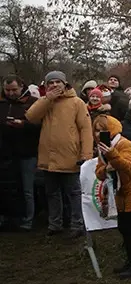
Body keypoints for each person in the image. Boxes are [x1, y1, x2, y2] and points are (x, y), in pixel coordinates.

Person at [25, 71, 93, 238]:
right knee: (52, 193)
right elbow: (31, 117)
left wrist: (86, 154)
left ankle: (77, 224)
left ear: (65, 84)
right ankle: (55, 224)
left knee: (74, 193)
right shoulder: (46, 102)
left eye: (58, 82)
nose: (54, 85)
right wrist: (47, 98)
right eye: (51, 83)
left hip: (71, 156)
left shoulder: (77, 103)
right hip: (48, 157)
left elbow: (85, 129)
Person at [93, 115, 131, 278]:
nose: (99, 133)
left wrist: (112, 155)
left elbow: (127, 166)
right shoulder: (102, 149)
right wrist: (105, 169)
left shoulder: (124, 144)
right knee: (124, 228)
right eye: (97, 130)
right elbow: (99, 172)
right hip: (122, 192)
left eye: (103, 130)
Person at [0, 75, 40, 231]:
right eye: (7, 90)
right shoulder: (2, 103)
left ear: (22, 87)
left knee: (27, 188)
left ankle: (28, 219)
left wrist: (23, 125)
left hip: (27, 151)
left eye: (14, 90)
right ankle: (7, 217)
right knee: (6, 187)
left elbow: (40, 126)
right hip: (5, 152)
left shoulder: (33, 104)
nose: (10, 93)